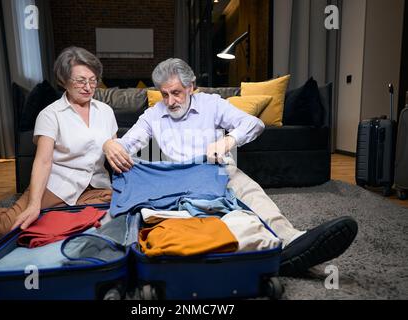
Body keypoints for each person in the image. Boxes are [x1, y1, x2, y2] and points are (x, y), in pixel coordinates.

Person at [103, 58, 358, 276]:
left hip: (216, 169)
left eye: (176, 92)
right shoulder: (152, 114)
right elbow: (128, 142)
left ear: (191, 87)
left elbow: (254, 124)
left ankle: (291, 240)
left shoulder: (212, 104)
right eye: (164, 94)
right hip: (177, 180)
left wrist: (228, 140)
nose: (170, 101)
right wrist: (111, 145)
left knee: (248, 191)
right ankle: (266, 254)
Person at [0, 47, 117, 242]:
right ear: (64, 81)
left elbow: (114, 152)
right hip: (58, 184)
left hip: (96, 187)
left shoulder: (106, 111)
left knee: (108, 221)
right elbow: (43, 161)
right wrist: (34, 204)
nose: (88, 87)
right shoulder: (51, 114)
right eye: (80, 80)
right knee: (10, 228)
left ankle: (59, 213)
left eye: (93, 80)